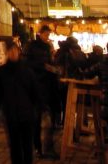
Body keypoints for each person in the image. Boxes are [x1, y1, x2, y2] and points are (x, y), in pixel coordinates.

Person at [0, 40, 41, 164]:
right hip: (11, 114)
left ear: (19, 52)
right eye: (10, 51)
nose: (13, 53)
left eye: (15, 50)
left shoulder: (27, 71)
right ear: (7, 53)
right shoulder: (2, 71)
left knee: (27, 146)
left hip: (26, 114)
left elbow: (35, 91)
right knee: (14, 146)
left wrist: (39, 107)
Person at [23, 24, 60, 159]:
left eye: (49, 35)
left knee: (46, 118)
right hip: (36, 86)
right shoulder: (31, 46)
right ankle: (39, 147)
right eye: (46, 34)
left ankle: (44, 147)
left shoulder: (47, 47)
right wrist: (43, 66)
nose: (47, 37)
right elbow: (26, 63)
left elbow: (50, 62)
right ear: (40, 34)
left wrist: (54, 68)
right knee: (39, 119)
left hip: (47, 85)